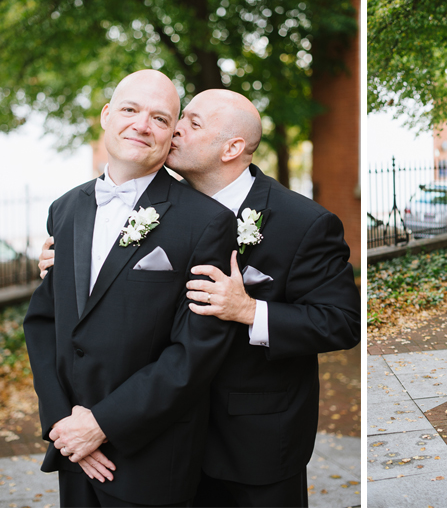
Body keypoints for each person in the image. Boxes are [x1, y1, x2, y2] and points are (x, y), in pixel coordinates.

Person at [40, 88, 361, 507]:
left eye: (191, 123)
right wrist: (66, 263)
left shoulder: (304, 222)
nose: (174, 130)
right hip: (158, 440)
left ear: (232, 147)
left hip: (249, 444)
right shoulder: (154, 206)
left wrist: (249, 311)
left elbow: (341, 321)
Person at [24, 70, 239, 507]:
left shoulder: (207, 222)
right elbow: (44, 322)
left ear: (171, 134)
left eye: (160, 119)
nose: (142, 125)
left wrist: (101, 424)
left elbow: (195, 353)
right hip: (73, 452)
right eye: (130, 109)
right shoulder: (64, 209)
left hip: (151, 459)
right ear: (106, 115)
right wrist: (63, 424)